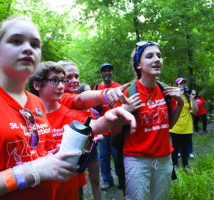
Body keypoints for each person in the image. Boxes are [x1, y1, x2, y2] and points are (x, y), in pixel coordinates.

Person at [0, 17, 137, 200]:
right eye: (16, 41)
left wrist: (107, 121)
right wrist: (29, 171)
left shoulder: (36, 103)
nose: (28, 49)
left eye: (34, 44)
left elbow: (37, 157)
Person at [28, 61, 136, 200]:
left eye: (62, 81)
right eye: (56, 81)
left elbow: (94, 123)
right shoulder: (26, 116)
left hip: (67, 189)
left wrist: (110, 118)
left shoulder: (69, 113)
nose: (61, 86)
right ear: (37, 85)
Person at [112, 41, 184, 200]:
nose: (157, 59)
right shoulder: (128, 92)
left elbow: (168, 125)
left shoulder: (165, 89)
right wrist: (123, 113)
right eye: (150, 56)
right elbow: (114, 132)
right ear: (138, 65)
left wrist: (180, 103)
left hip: (164, 159)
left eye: (159, 56)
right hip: (137, 161)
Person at [93, 63, 124, 191]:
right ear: (101, 74)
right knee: (104, 157)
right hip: (102, 130)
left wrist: (115, 105)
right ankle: (107, 181)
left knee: (118, 157)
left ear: (112, 73)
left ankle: (122, 180)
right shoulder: (97, 87)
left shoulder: (118, 87)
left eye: (109, 71)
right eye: (104, 71)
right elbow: (93, 107)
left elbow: (125, 106)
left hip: (116, 129)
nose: (107, 73)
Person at [170, 78, 198, 169]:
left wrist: (193, 99)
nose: (183, 85)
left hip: (187, 126)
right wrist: (179, 95)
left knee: (185, 147)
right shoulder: (173, 96)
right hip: (175, 126)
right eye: (181, 83)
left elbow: (195, 111)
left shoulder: (188, 97)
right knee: (175, 147)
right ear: (177, 86)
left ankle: (185, 165)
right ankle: (175, 164)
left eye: (184, 83)